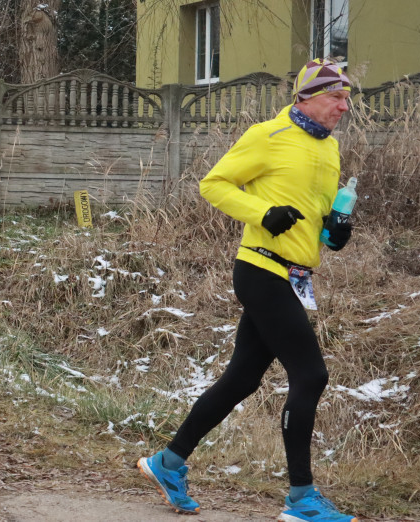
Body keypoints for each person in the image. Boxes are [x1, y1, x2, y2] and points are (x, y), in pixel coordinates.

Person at [137, 59, 357, 522]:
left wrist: (332, 231)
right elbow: (213, 184)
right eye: (336, 96)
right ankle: (301, 501)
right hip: (261, 270)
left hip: (295, 275)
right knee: (311, 375)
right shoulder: (268, 135)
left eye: (346, 96)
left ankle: (168, 463)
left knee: (242, 379)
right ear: (307, 97)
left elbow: (312, 216)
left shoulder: (329, 149)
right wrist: (262, 213)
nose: (345, 104)